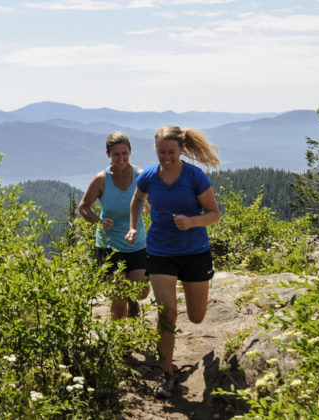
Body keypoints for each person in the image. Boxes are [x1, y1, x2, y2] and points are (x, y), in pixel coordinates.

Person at [125, 125, 220, 399]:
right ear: (155, 149)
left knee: (196, 316)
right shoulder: (149, 177)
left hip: (195, 251)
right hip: (160, 251)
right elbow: (137, 200)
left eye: (171, 152)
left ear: (182, 150)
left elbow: (214, 214)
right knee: (167, 315)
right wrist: (134, 227)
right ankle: (165, 375)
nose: (165, 157)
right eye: (161, 152)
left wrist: (192, 222)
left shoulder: (195, 177)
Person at [78, 131, 149, 320]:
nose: (121, 158)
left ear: (130, 151)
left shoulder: (141, 176)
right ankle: (118, 343)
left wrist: (148, 208)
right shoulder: (101, 179)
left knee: (141, 292)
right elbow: (83, 207)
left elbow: (156, 202)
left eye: (124, 153)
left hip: (137, 242)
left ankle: (133, 301)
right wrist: (99, 221)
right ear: (108, 154)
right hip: (109, 244)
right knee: (118, 297)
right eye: (116, 154)